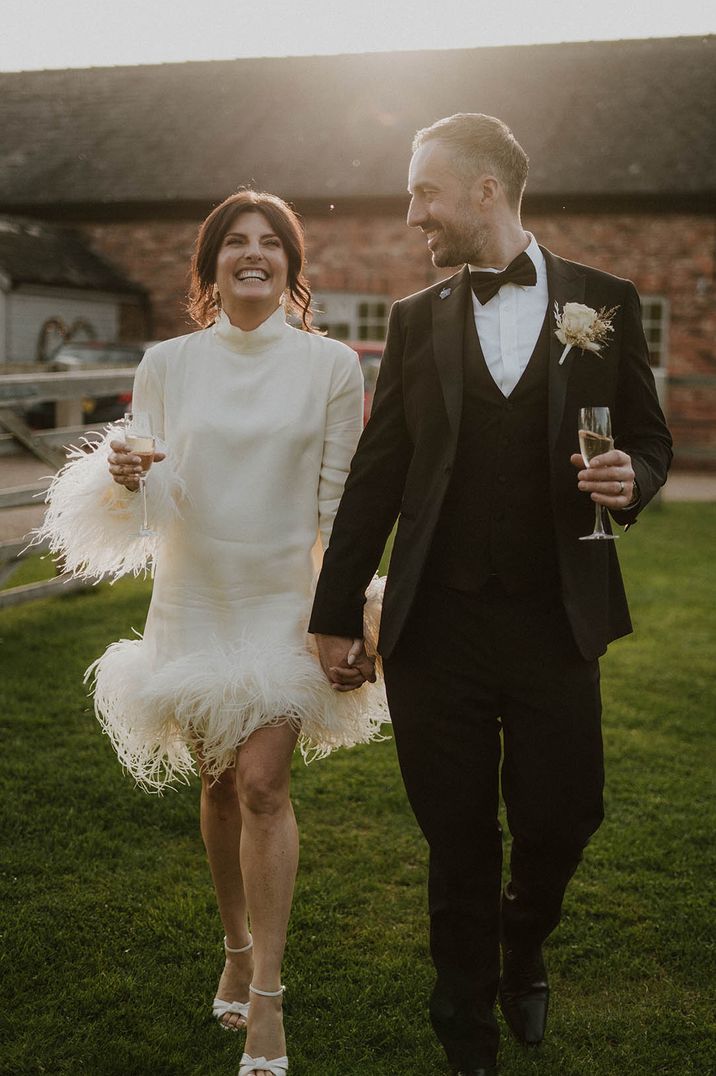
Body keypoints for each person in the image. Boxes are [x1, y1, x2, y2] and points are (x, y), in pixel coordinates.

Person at [309, 114, 672, 1075]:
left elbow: (650, 437)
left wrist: (634, 477)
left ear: (483, 191)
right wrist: (335, 612)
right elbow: (379, 477)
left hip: (559, 619)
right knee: (457, 831)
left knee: (564, 816)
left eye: (425, 191)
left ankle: (525, 938)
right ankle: (462, 1014)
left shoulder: (607, 301)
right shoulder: (414, 319)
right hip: (439, 625)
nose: (410, 211)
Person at [36, 189, 385, 1076]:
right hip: (193, 600)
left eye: (272, 243)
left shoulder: (332, 366)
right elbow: (147, 491)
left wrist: (349, 609)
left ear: (292, 269)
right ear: (212, 264)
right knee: (221, 782)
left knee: (266, 784)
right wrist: (117, 470)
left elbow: (341, 503)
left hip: (283, 601)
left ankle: (266, 994)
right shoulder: (167, 362)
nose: (254, 254)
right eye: (237, 242)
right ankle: (233, 944)